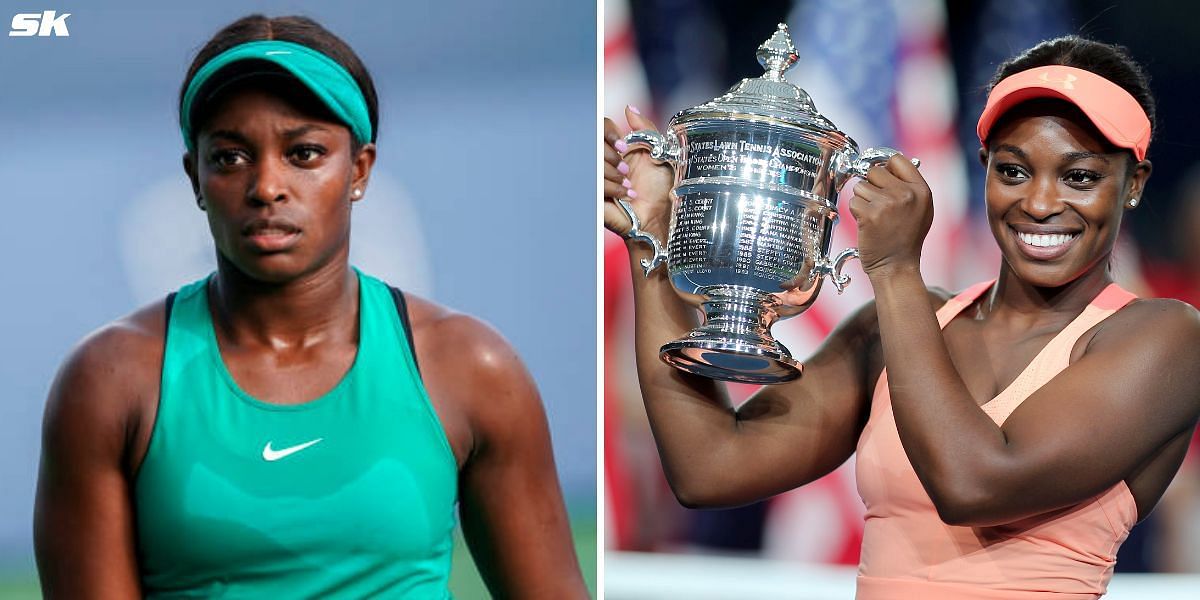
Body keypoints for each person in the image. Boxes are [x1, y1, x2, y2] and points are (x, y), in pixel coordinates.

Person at [603, 35, 1200, 598]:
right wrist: (652, 239)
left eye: (1079, 177)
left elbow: (975, 484)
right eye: (1013, 170)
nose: (1040, 203)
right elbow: (708, 468)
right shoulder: (899, 326)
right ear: (984, 168)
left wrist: (893, 269)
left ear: (1132, 185)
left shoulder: (1166, 337)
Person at [34, 14, 586, 598]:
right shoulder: (109, 381)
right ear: (194, 176)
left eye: (304, 153)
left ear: (359, 170)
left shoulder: (472, 367)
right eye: (229, 157)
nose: (266, 185)